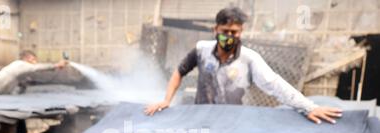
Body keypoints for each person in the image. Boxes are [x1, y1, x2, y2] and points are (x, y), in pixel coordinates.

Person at [145, 6, 342, 124]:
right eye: (226, 31)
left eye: (235, 32)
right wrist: (166, 100)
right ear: (216, 30)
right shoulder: (201, 50)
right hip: (201, 117)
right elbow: (179, 72)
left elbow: (274, 84)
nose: (230, 36)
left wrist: (308, 107)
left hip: (233, 121)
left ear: (241, 32)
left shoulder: (249, 58)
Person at [0, 50, 68, 95]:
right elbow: (36, 68)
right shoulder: (20, 64)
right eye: (33, 59)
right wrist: (56, 65)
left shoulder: (19, 68)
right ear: (26, 58)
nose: (35, 61)